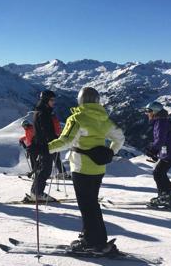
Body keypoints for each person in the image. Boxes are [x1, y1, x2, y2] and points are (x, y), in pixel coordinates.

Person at [48, 87, 125, 253]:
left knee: (87, 205)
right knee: (92, 203)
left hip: (81, 168)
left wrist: (44, 149)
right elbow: (120, 137)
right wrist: (111, 151)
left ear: (80, 100)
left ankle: (92, 242)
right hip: (99, 168)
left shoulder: (77, 118)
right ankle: (95, 237)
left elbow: (66, 142)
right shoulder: (104, 119)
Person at [144, 101, 171, 206]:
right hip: (170, 152)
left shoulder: (160, 123)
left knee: (158, 173)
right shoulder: (161, 121)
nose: (146, 113)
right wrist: (156, 151)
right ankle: (168, 195)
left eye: (148, 111)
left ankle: (166, 197)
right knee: (160, 173)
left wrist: (153, 150)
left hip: (170, 153)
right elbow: (163, 140)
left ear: (155, 112)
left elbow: (160, 140)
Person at [29, 90, 58, 202]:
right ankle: (38, 193)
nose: (53, 102)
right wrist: (54, 140)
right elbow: (46, 130)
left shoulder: (41, 111)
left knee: (43, 168)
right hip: (45, 145)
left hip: (41, 143)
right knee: (45, 169)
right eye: (52, 100)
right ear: (46, 100)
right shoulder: (43, 113)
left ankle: (35, 192)